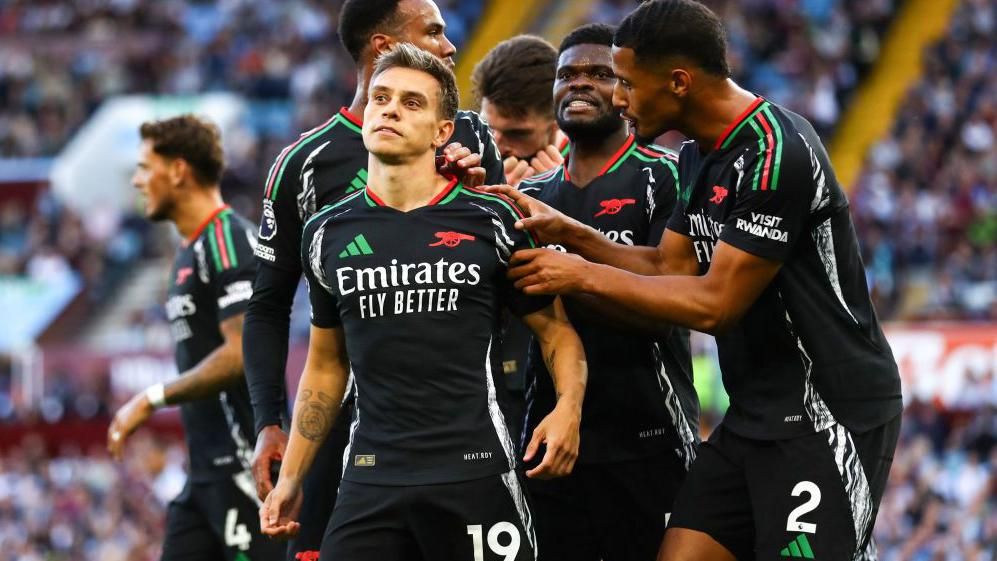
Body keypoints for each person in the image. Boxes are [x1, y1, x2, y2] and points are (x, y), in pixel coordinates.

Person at [489, 1, 903, 560]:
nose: (618, 98)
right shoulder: (696, 157)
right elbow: (668, 267)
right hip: (753, 412)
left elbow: (715, 305)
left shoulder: (776, 152)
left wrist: (581, 274)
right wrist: (572, 232)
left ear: (678, 82)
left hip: (826, 413)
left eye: (627, 84)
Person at [259, 44, 588, 561]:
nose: (389, 109)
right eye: (381, 98)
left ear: (443, 131)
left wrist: (568, 408)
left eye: (412, 103)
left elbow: (556, 333)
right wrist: (293, 476)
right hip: (371, 478)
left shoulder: (494, 219)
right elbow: (325, 366)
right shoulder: (325, 232)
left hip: (476, 472)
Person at [243, 1, 506, 558]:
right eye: (433, 31)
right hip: (349, 434)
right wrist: (269, 420)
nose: (450, 44)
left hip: (464, 432)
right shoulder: (302, 164)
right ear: (385, 49)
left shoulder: (470, 137)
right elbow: (266, 308)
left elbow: (509, 269)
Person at [516, 23, 699, 561]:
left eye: (599, 74)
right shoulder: (525, 197)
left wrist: (570, 272)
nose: (580, 85)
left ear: (625, 91)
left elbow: (668, 308)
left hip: (651, 437)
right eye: (567, 75)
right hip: (547, 441)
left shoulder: (666, 178)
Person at [108, 115, 283, 561]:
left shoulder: (228, 240)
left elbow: (241, 351)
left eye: (146, 167)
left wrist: (150, 398)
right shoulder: (190, 250)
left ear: (178, 170)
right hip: (205, 475)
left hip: (246, 470)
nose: (137, 180)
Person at [472, 35, 568, 186]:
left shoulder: (596, 167)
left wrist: (565, 199)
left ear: (558, 122)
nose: (497, 145)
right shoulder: (460, 158)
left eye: (516, 133)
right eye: (488, 127)